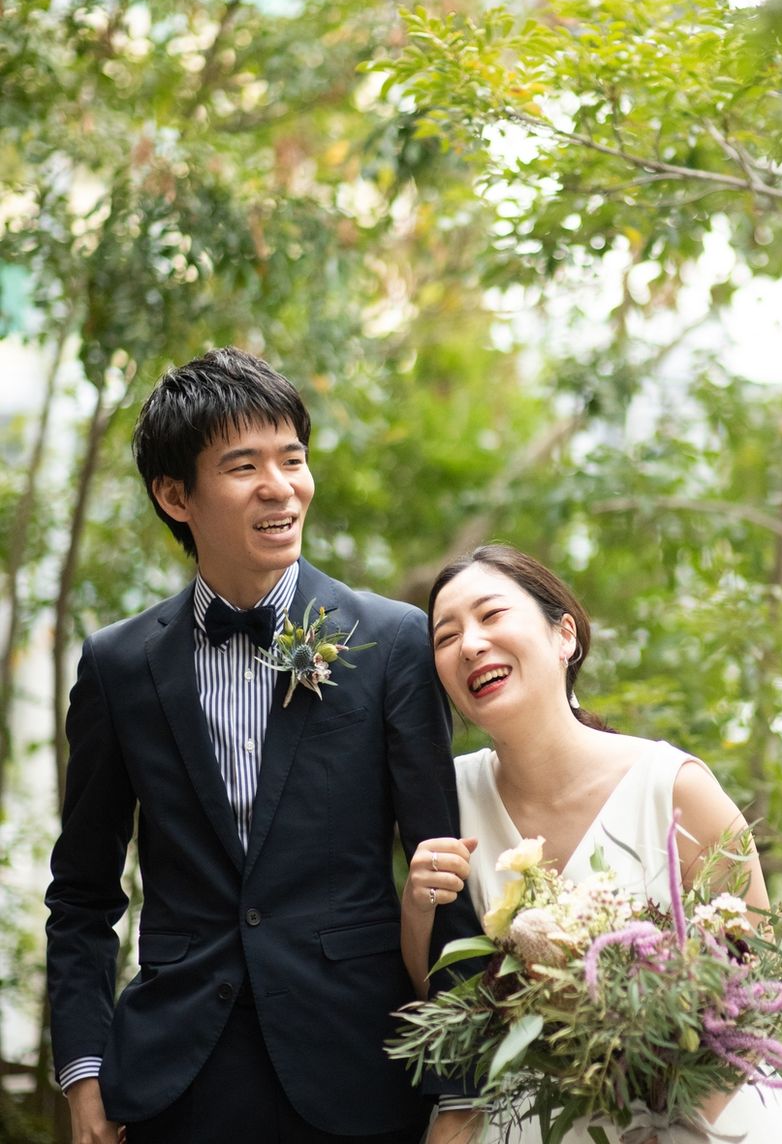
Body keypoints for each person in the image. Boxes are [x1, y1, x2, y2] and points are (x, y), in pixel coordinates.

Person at [45, 347, 480, 1144]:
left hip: (359, 1071)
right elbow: (82, 895)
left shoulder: (392, 642)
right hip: (176, 1081)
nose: (281, 486)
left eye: (293, 458)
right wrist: (82, 1073)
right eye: (244, 466)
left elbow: (446, 874)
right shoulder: (118, 665)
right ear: (175, 495)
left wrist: (459, 1091)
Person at [402, 544, 782, 1144]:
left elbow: (754, 996)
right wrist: (418, 904)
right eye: (446, 637)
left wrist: (667, 1115)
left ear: (565, 636)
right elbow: (442, 1004)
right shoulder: (449, 796)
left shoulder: (675, 788)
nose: (470, 644)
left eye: (491, 615)